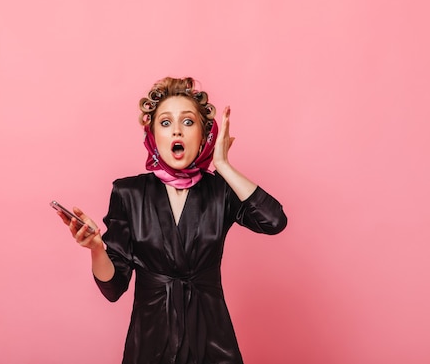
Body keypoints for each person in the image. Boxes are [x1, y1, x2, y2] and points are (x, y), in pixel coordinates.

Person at [56, 77, 287, 364]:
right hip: (151, 343)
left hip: (212, 342)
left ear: (204, 136)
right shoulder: (128, 192)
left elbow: (274, 221)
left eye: (188, 122)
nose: (176, 129)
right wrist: (96, 248)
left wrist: (224, 166)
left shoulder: (220, 191)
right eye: (165, 123)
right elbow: (114, 287)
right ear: (153, 136)